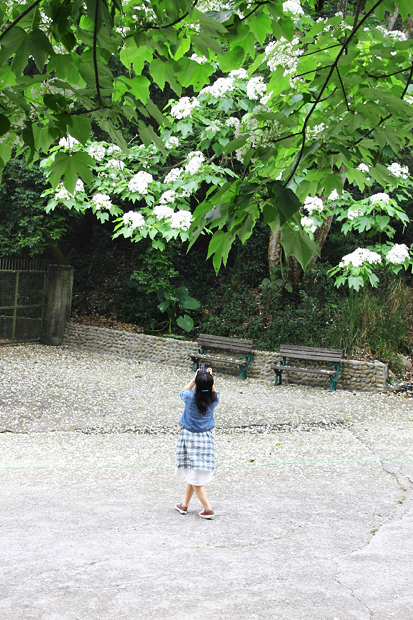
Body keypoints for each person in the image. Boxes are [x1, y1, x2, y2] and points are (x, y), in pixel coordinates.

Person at [175, 366, 219, 519]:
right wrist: (208, 379)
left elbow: (183, 391)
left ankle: (208, 509)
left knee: (196, 480)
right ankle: (184, 505)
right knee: (192, 474)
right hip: (205, 440)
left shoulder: (189, 398)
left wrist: (196, 379)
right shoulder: (214, 399)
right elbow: (213, 392)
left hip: (189, 440)